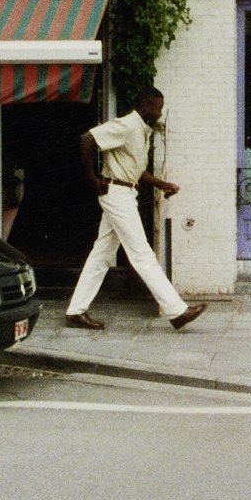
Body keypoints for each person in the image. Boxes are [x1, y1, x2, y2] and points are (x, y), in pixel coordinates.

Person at [64, 87, 205, 332]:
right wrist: (92, 178)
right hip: (117, 194)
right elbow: (87, 139)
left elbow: (136, 170)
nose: (159, 113)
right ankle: (177, 311)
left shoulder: (141, 130)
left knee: (101, 254)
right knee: (141, 253)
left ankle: (75, 311)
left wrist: (161, 185)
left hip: (124, 193)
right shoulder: (127, 125)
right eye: (158, 108)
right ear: (146, 106)